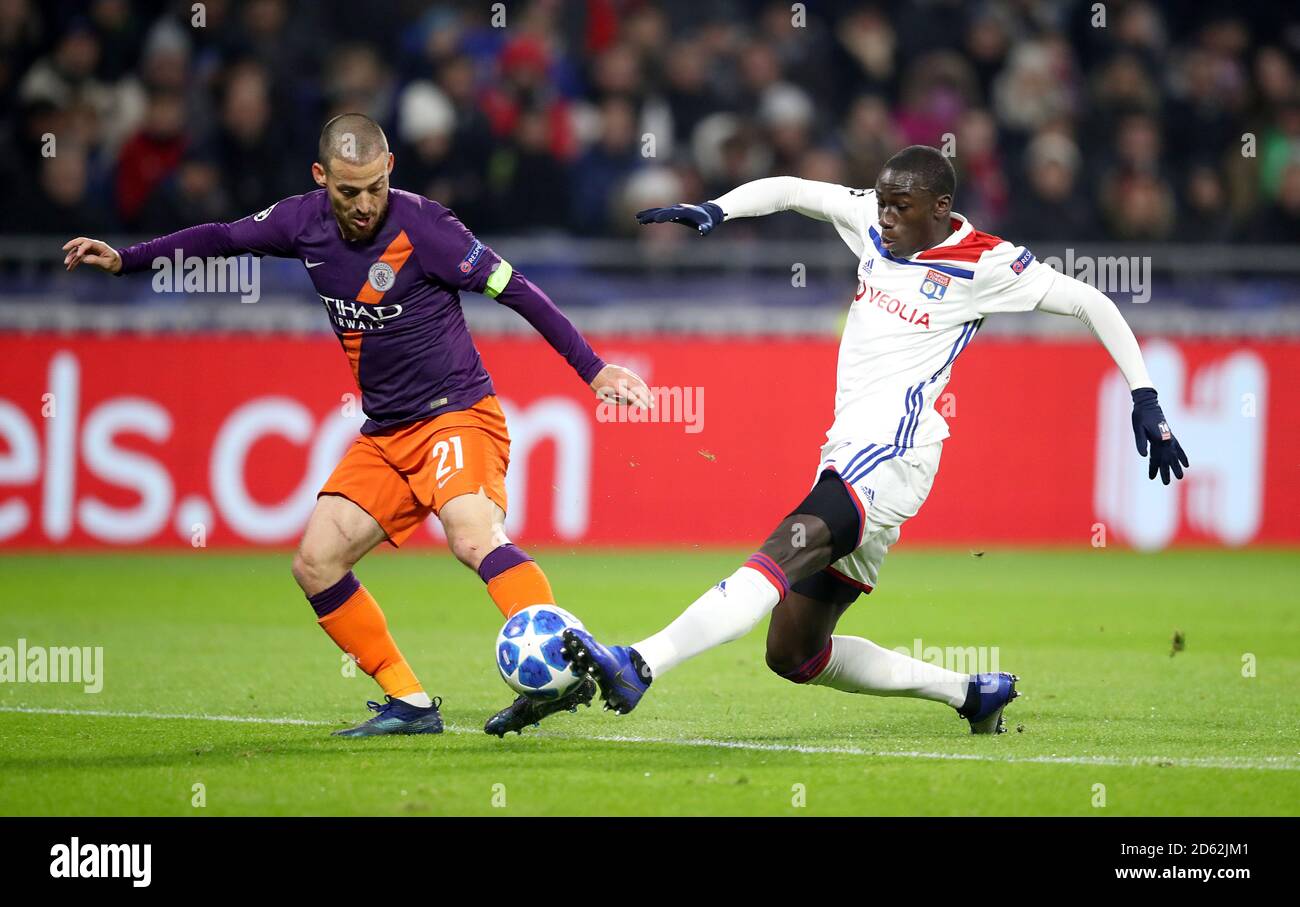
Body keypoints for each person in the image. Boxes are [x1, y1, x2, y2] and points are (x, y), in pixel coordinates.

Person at [563, 145, 1188, 734]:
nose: (884, 217)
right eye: (882, 204)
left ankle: (640, 663)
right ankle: (971, 694)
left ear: (940, 209)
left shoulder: (988, 263)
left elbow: (1091, 302)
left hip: (894, 453)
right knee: (793, 651)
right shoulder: (871, 218)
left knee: (783, 549)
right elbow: (790, 190)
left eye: (901, 208)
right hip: (851, 452)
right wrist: (717, 208)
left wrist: (1145, 396)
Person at [63, 113, 650, 738]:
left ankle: (581, 658)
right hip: (387, 434)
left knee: (473, 535)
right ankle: (412, 706)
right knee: (315, 563)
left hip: (457, 415)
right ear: (322, 179)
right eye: (348, 191)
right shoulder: (300, 221)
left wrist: (593, 369)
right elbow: (223, 238)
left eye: (375, 187)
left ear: (389, 168)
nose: (365, 203)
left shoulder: (427, 225)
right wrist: (127, 259)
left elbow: (518, 290)